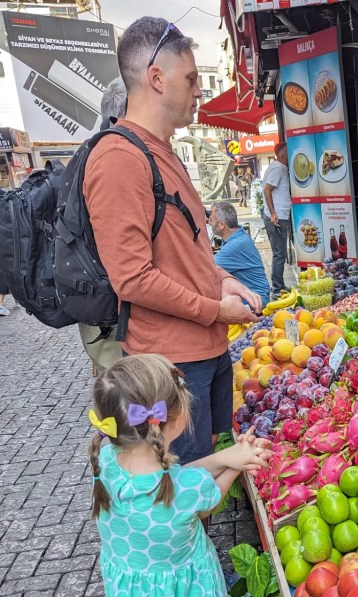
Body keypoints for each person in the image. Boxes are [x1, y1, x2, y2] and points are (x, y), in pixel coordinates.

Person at [83, 17, 262, 465]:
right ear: (156, 78)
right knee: (177, 478)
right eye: (191, 79)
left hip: (207, 353)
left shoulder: (164, 152)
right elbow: (132, 279)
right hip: (169, 370)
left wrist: (222, 280)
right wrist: (216, 310)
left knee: (207, 467)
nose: (200, 90)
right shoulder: (119, 159)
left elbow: (188, 249)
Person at [88, 353, 272, 597]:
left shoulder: (107, 460)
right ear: (171, 419)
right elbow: (208, 498)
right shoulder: (184, 491)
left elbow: (174, 478)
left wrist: (225, 455)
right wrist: (236, 465)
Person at [78, 76, 128, 375]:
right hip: (112, 309)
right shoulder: (112, 158)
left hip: (100, 306)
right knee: (128, 388)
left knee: (114, 378)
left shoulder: (93, 151)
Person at [210, 201, 270, 307]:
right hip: (254, 296)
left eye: (211, 220)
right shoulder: (238, 234)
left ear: (221, 225)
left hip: (256, 301)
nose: (209, 223)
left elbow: (207, 269)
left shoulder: (235, 245)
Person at [262, 143, 291, 298]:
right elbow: (267, 189)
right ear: (282, 154)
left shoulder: (279, 168)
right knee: (279, 254)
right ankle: (278, 288)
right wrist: (273, 214)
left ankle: (279, 284)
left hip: (279, 215)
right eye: (288, 152)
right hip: (277, 217)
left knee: (280, 253)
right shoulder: (278, 168)